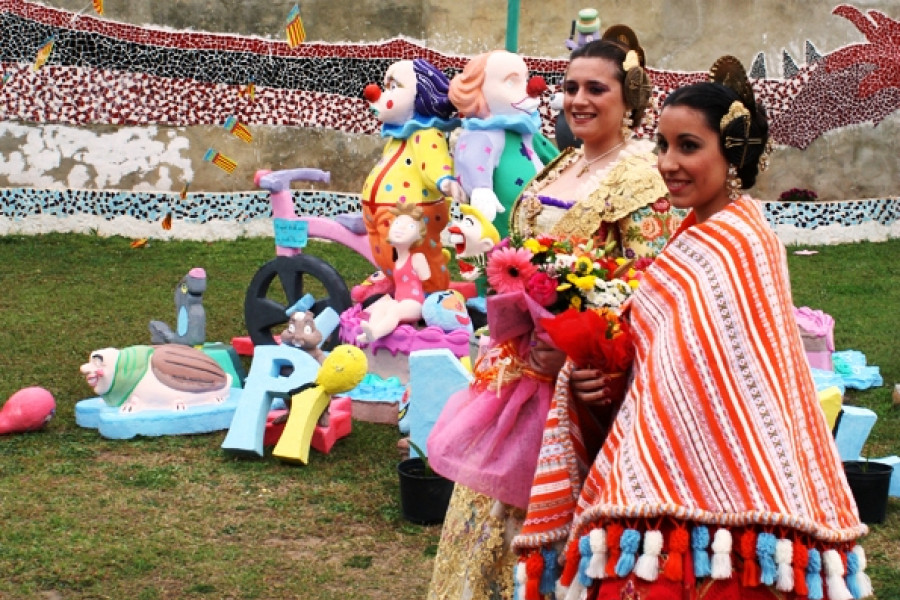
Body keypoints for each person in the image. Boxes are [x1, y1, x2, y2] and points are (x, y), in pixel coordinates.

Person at [512, 56, 871, 600]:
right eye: (662, 145)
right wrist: (595, 386)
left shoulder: (745, 244)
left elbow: (739, 379)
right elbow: (660, 364)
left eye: (688, 146)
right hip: (661, 469)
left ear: (733, 155)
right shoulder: (686, 241)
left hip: (733, 495)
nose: (668, 163)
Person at [427, 28, 679, 600]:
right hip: (520, 374)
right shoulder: (560, 163)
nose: (579, 100)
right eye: (570, 87)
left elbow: (647, 282)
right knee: (488, 518)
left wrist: (580, 346)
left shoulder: (642, 176)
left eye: (597, 88)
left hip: (586, 388)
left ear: (630, 98)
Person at [357, 202, 431, 342]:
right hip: (400, 301)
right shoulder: (397, 262)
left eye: (409, 226)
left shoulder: (417, 258)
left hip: (415, 303)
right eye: (397, 223)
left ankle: (376, 333)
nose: (400, 228)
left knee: (394, 311)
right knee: (381, 306)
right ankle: (370, 331)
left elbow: (428, 281)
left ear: (418, 236)